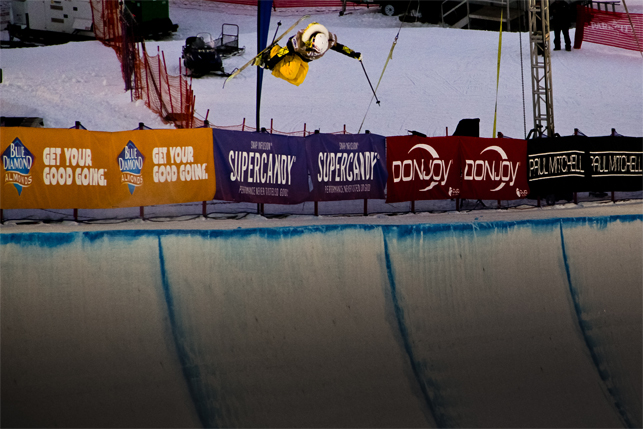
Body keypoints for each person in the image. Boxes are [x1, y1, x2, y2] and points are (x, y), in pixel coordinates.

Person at [253, 22, 362, 86]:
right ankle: (272, 52)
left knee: (297, 81)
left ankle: (274, 68)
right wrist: (270, 63)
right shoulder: (300, 42)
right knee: (290, 73)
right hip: (295, 54)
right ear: (312, 42)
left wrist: (353, 54)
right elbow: (284, 52)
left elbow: (340, 48)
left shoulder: (327, 41)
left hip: (305, 60)